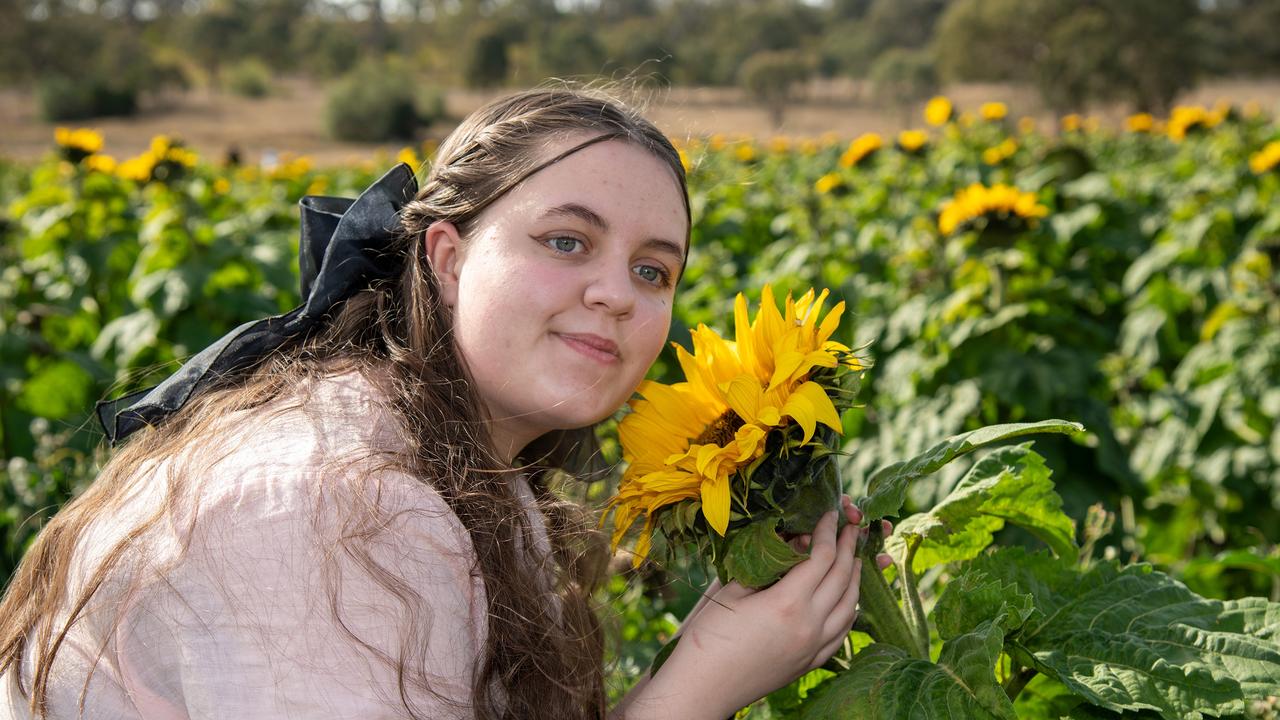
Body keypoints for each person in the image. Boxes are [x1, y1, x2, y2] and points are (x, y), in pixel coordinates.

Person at [0, 85, 888, 720]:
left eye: (652, 270)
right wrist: (697, 689)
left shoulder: (469, 468)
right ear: (447, 257)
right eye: (567, 240)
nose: (617, 292)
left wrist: (720, 650)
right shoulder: (335, 503)